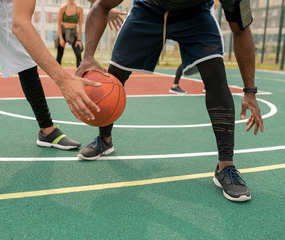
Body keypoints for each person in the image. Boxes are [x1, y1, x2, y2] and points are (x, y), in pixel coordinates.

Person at [75, 0, 264, 202]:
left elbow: (241, 29)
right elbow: (101, 6)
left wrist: (250, 91)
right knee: (114, 76)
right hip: (148, 10)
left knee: (216, 77)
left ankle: (225, 166)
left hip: (195, 14)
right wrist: (87, 56)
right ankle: (105, 139)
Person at [0, 0, 104, 202]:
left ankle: (47, 131)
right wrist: (64, 81)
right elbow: (21, 25)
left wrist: (101, 5)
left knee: (27, 65)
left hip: (8, 4)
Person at [169, 0, 220, 95]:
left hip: (206, 31)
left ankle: (207, 85)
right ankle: (175, 85)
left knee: (209, 59)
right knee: (204, 58)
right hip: (201, 31)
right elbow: (215, 4)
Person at [56, 0, 84, 67]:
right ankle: (57, 73)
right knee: (59, 54)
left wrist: (79, 39)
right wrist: (61, 39)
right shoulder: (62, 8)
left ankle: (79, 73)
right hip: (63, 32)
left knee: (78, 53)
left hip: (73, 33)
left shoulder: (79, 8)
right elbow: (59, 23)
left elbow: (80, 25)